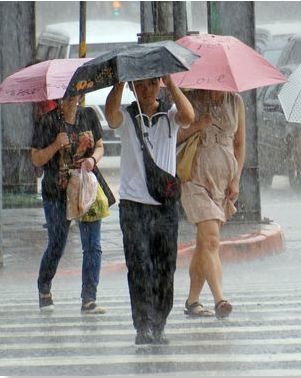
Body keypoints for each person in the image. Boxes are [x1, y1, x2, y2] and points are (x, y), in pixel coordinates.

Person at [105, 76, 194, 345]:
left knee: (165, 266)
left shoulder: (170, 114)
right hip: (133, 205)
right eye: (141, 85)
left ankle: (159, 322)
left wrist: (171, 81)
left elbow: (189, 116)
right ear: (134, 87)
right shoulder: (127, 115)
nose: (147, 90)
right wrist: (120, 81)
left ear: (159, 85)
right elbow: (110, 117)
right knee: (139, 266)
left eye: (152, 84)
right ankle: (142, 324)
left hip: (164, 206)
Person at [31, 95, 106, 314]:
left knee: (93, 245)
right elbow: (36, 159)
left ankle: (89, 299)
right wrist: (55, 145)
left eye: (76, 92)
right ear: (59, 96)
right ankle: (44, 287)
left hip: (86, 189)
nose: (73, 98)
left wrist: (93, 160)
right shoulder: (47, 121)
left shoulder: (89, 115)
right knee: (57, 244)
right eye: (67, 93)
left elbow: (100, 147)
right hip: (57, 193)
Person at [179, 89, 246, 319]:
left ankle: (192, 301)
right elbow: (175, 136)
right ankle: (220, 299)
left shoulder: (236, 101)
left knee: (203, 244)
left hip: (223, 181)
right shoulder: (191, 99)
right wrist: (198, 124)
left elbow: (239, 144)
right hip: (195, 177)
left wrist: (236, 178)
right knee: (211, 240)